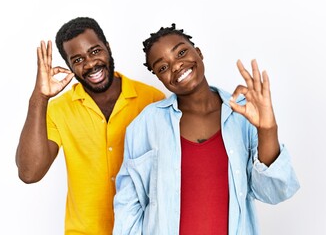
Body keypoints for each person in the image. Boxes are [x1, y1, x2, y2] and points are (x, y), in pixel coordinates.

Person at [113, 23, 300, 235]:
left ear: (199, 53)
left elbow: (275, 192)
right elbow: (128, 206)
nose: (176, 66)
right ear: (158, 78)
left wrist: (267, 129)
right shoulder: (145, 124)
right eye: (163, 67)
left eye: (181, 52)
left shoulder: (242, 114)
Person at [15, 17, 165, 235]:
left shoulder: (152, 99)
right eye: (77, 59)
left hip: (143, 229)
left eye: (95, 51)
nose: (90, 63)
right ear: (68, 67)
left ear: (108, 48)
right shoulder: (58, 109)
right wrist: (39, 97)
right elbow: (29, 173)